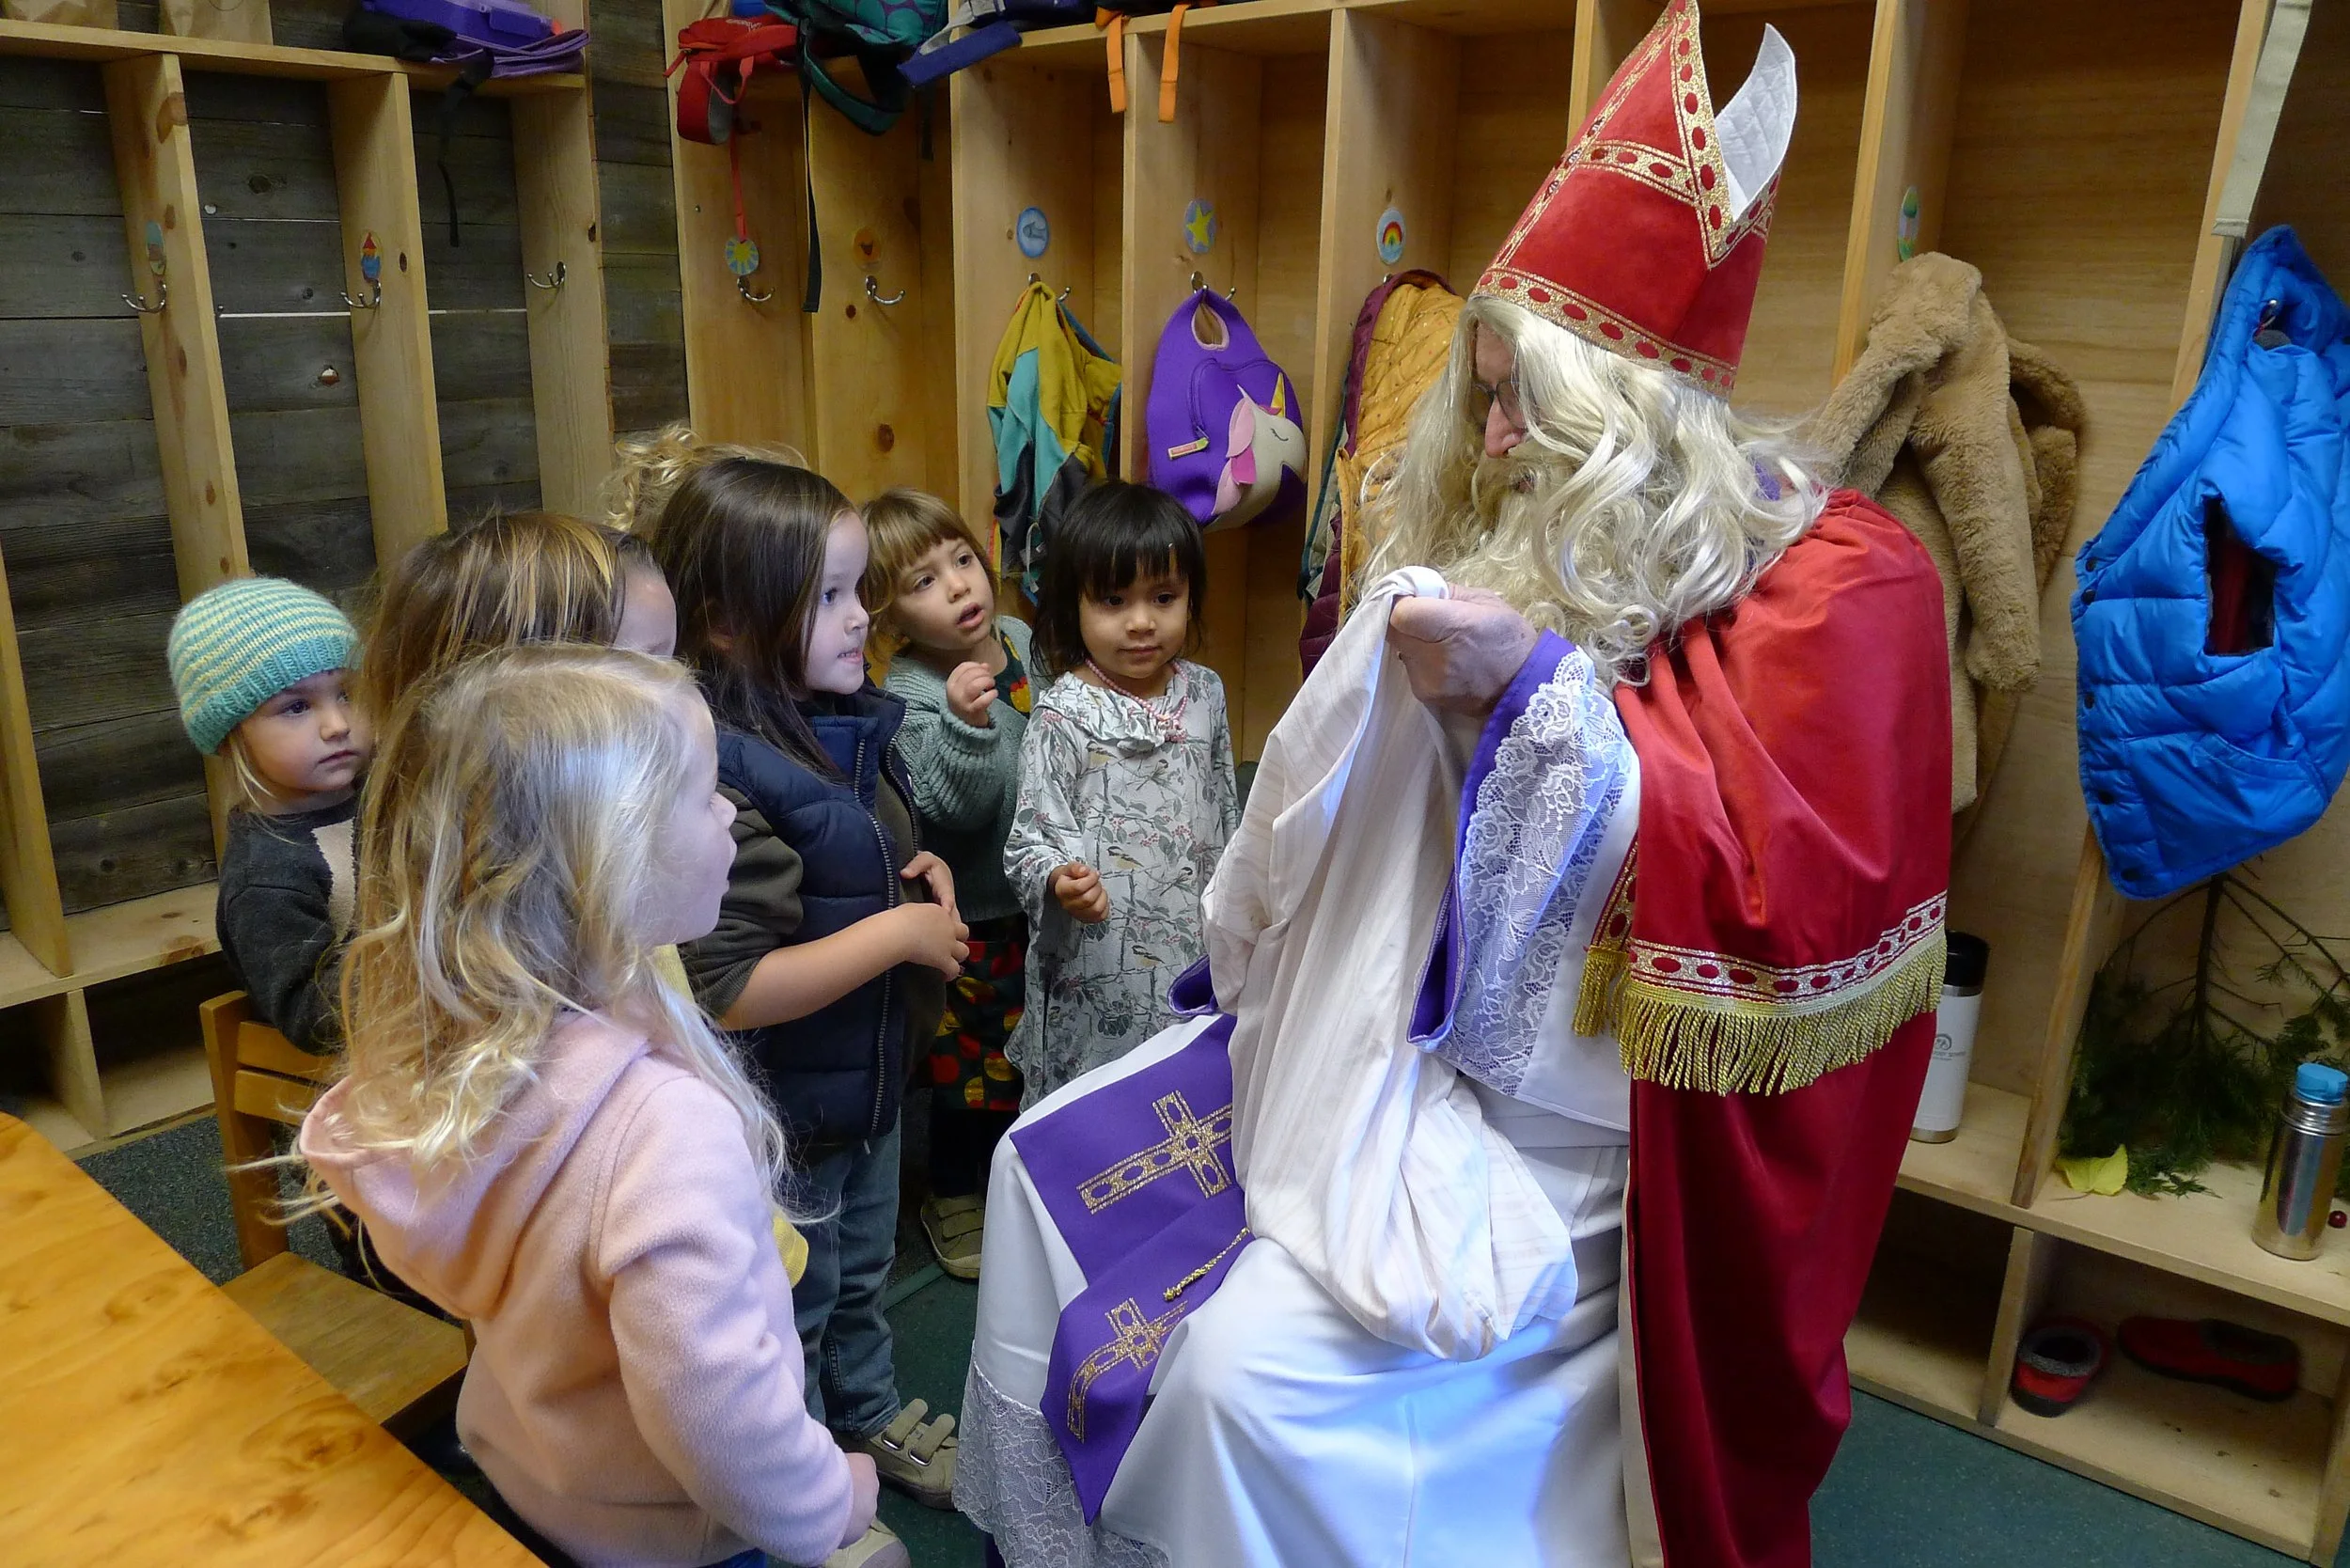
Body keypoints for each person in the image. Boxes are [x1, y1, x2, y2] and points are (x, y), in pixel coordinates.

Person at [955, 5, 1952, 1565]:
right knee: (1042, 1155)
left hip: (1609, 1142)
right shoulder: (1511, 539)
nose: (1487, 439)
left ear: (1628, 416)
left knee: (1231, 1383)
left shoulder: (1846, 583)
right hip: (1385, 1059)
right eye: (1479, 391)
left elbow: (1775, 908)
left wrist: (1534, 707)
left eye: (1518, 399)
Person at [299, 645, 901, 1568]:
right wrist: (828, 1502)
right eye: (703, 794)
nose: (731, 814)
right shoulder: (663, 1131)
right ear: (609, 860)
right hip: (677, 1536)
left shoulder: (479, 1057)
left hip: (530, 1482)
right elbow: (714, 1408)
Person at [644, 456, 968, 1514]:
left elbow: (853, 855)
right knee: (799, 1300)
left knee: (860, 1272)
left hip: (858, 1086)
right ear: (730, 624)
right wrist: (898, 935)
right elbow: (727, 986)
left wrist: (920, 872)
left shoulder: (829, 714)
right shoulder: (724, 769)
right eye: (826, 596)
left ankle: (863, 1414)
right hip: (793, 1111)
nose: (859, 616)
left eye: (858, 587)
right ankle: (807, 1476)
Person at [1001, 480, 1242, 1106]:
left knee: (1182, 1096)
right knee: (1097, 1110)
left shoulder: (1204, 693)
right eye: (1113, 600)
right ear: (1072, 606)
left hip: (1192, 946)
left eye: (1164, 597)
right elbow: (1030, 841)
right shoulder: (1063, 715)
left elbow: (1224, 805)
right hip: (1096, 963)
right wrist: (1059, 881)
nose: (1142, 622)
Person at [864, 486, 1035, 1280]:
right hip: (976, 912)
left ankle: (1022, 1170)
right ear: (889, 618)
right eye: (922, 581)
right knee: (969, 1065)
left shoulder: (1022, 642)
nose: (960, 586)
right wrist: (971, 726)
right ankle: (952, 1189)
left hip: (1043, 895)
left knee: (1032, 1044)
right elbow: (957, 808)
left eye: (961, 560)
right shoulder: (911, 691)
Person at [168, 575, 368, 1056]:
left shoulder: (393, 793)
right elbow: (314, 1020)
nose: (337, 724)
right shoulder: (266, 875)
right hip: (364, 1089)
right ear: (230, 736)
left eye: (346, 694)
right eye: (296, 706)